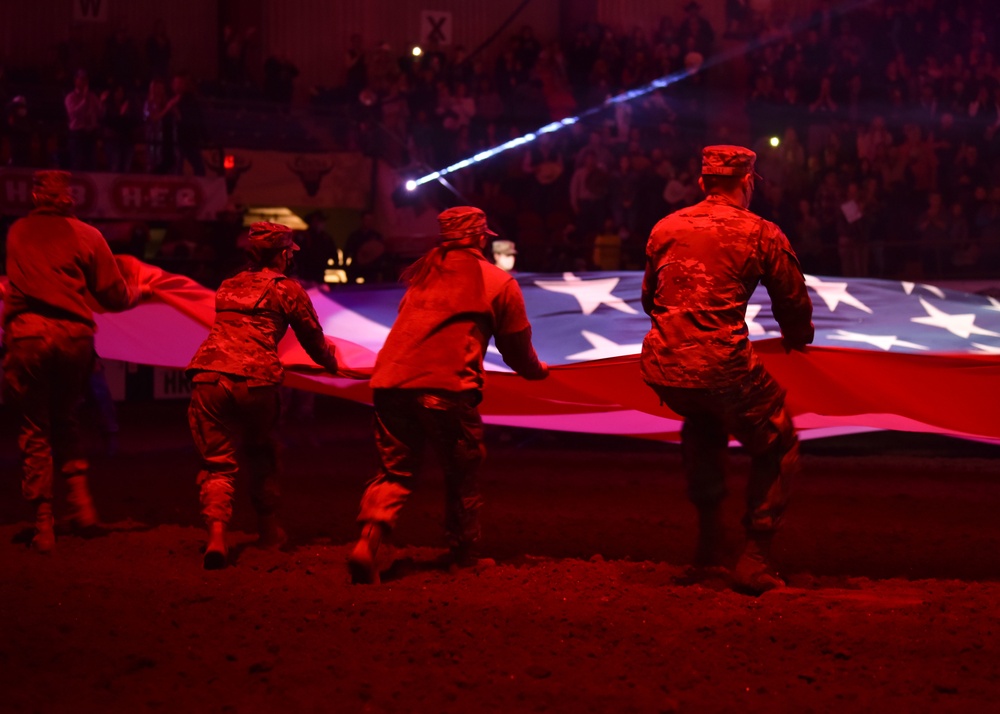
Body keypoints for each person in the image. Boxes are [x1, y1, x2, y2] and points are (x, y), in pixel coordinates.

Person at [640, 145, 814, 595]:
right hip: (722, 365)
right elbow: (793, 305)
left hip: (664, 366)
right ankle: (754, 557)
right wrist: (799, 336)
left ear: (702, 183)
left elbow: (649, 301)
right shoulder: (761, 233)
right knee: (778, 442)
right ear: (748, 182)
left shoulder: (665, 227)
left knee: (703, 422)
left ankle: (708, 542)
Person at [348, 206, 549, 584]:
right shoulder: (497, 282)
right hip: (445, 389)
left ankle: (368, 541)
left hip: (391, 383)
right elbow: (517, 351)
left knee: (395, 471)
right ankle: (464, 554)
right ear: (479, 238)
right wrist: (539, 372)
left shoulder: (422, 278)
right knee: (462, 470)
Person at [2, 170, 150, 553]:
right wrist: (144, 290)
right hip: (74, 338)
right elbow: (115, 296)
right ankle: (84, 510)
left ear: (36, 196)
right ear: (70, 197)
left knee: (35, 427)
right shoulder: (88, 236)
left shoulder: (17, 231)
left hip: (28, 335)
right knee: (66, 418)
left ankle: (44, 525)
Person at [186, 221, 340, 570]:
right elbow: (314, 342)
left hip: (208, 377)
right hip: (255, 381)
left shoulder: (228, 286)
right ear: (284, 253)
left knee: (217, 464)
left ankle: (216, 537)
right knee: (261, 454)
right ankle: (269, 532)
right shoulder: (287, 290)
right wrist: (334, 365)